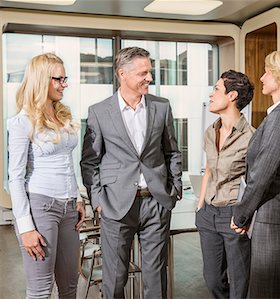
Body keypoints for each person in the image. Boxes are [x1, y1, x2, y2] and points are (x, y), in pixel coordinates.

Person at [80, 46, 182, 298]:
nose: (149, 77)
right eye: (143, 73)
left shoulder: (162, 106)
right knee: (114, 278)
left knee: (155, 276)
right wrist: (97, 200)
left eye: (150, 72)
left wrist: (175, 188)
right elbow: (90, 161)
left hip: (156, 202)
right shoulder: (99, 111)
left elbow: (172, 152)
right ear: (122, 74)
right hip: (115, 204)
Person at [231, 50, 280, 298]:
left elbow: (261, 173)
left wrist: (240, 215)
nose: (262, 77)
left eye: (267, 72)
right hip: (272, 210)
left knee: (268, 290)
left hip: (272, 212)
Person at [8, 53, 85, 298]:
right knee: (41, 290)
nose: (65, 84)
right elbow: (15, 178)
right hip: (41, 207)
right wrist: (25, 228)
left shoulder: (62, 116)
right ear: (41, 80)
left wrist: (79, 198)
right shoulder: (22, 121)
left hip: (70, 207)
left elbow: (68, 162)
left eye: (65, 78)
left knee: (70, 286)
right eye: (58, 79)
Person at [195, 70, 254, 299]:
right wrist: (200, 206)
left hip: (233, 216)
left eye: (217, 89)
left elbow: (254, 181)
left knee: (240, 284)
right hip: (208, 214)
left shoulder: (251, 137)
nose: (211, 94)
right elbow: (209, 168)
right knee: (213, 281)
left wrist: (244, 216)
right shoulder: (211, 132)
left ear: (232, 96)